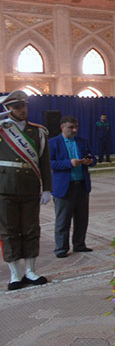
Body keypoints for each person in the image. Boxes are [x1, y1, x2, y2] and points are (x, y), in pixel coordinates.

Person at [0, 90, 53, 291]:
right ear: (8, 109)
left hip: (30, 187)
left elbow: (44, 162)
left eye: (23, 106)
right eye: (16, 107)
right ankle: (15, 274)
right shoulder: (2, 130)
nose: (22, 110)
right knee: (8, 230)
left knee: (31, 229)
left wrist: (47, 188)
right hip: (5, 187)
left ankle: (31, 270)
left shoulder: (38, 131)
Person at [50, 116, 96, 258]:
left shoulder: (82, 141)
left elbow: (93, 159)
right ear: (62, 127)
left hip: (81, 186)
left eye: (76, 126)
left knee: (82, 218)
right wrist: (68, 163)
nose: (74, 130)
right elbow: (49, 163)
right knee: (63, 220)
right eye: (71, 127)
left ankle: (79, 244)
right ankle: (61, 248)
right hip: (64, 187)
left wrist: (90, 161)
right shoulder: (53, 143)